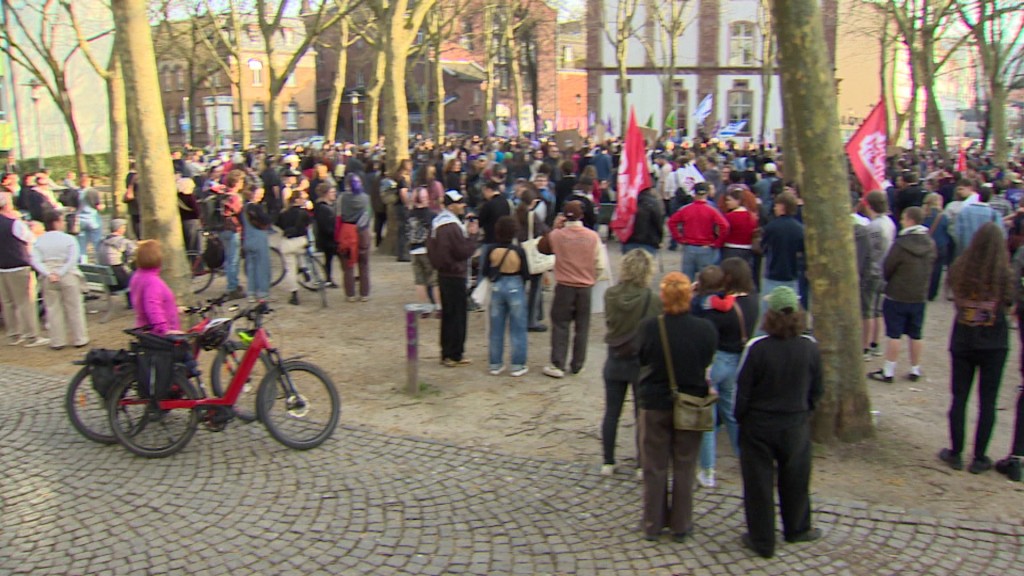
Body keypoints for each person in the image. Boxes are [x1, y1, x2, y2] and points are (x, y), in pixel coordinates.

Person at [735, 286, 823, 559]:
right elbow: (817, 389)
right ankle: (797, 528)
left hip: (759, 425)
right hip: (794, 422)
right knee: (796, 477)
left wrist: (742, 419)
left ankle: (762, 539)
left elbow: (744, 390)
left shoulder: (758, 350)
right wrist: (805, 410)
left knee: (758, 483)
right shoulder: (809, 349)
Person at [635, 272, 717, 542]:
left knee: (654, 465)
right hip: (691, 402)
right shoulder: (705, 329)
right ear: (689, 296)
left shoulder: (649, 328)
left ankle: (652, 523)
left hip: (656, 402)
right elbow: (706, 360)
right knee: (684, 464)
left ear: (663, 297)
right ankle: (681, 525)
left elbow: (642, 357)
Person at [939, 222, 1014, 474]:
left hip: (963, 338)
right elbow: (1010, 303)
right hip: (994, 343)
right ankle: (980, 456)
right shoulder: (1004, 274)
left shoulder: (960, 268)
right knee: (988, 401)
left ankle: (955, 451)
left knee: (959, 397)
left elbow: (955, 300)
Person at [694, 257, 760, 488]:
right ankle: (746, 459)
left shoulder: (720, 307)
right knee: (730, 413)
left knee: (708, 419)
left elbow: (703, 325)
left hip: (717, 359)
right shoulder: (752, 301)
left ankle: (708, 469)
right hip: (737, 361)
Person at [601, 249, 662, 476]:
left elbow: (609, 321)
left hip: (615, 357)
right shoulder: (653, 300)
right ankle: (640, 463)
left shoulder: (610, 295)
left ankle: (608, 460)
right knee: (641, 415)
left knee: (611, 412)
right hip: (641, 362)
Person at [867, 207, 936, 384]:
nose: (902, 221)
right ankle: (915, 368)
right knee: (916, 333)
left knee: (894, 334)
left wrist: (889, 280)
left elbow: (888, 266)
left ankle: (889, 370)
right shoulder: (930, 244)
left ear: (910, 220)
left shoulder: (901, 244)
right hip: (918, 294)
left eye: (904, 219)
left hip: (897, 293)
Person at [538, 200, 604, 378]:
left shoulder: (557, 235)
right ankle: (577, 363)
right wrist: (592, 278)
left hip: (564, 285)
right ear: (581, 215)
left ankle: (558, 363)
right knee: (582, 327)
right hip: (585, 286)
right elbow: (600, 264)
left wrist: (554, 227)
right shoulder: (592, 236)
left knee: (560, 325)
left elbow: (541, 248)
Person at [426, 190, 480, 367]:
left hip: (445, 273)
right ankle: (453, 353)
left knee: (450, 314)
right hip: (455, 274)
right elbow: (463, 251)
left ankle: (450, 353)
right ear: (451, 206)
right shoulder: (451, 227)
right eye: (460, 203)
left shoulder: (438, 223)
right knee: (456, 316)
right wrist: (472, 235)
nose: (463, 205)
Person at [31, 211, 89, 350]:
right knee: (74, 307)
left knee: (53, 309)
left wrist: (48, 273)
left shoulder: (39, 241)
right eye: (62, 220)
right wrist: (61, 272)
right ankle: (79, 338)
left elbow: (35, 260)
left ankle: (57, 341)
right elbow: (73, 258)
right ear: (56, 222)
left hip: (48, 275)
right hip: (67, 274)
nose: (64, 223)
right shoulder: (68, 239)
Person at [482, 216, 530, 377]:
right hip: (515, 284)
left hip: (497, 285)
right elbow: (526, 273)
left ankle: (495, 363)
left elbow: (484, 271)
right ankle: (517, 364)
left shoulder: (490, 250)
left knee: (496, 327)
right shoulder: (518, 251)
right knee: (518, 327)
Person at [0, 192, 48, 347]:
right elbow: (31, 239)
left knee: (8, 302)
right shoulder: (14, 223)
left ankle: (14, 334)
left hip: (2, 267)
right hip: (18, 265)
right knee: (25, 302)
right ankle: (31, 336)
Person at [667, 182, 730, 281]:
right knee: (707, 281)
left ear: (694, 193)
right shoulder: (712, 210)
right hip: (706, 247)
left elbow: (671, 222)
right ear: (707, 193)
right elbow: (725, 226)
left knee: (687, 280)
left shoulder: (686, 209)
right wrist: (717, 243)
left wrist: (679, 238)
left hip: (689, 246)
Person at [514, 186, 550, 332]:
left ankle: (518, 317)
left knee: (520, 288)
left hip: (518, 253)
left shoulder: (515, 214)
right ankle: (531, 320)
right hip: (532, 254)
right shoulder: (532, 216)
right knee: (535, 289)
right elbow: (543, 231)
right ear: (533, 202)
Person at [129, 240, 183, 335]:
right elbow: (153, 308)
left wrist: (174, 308)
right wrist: (165, 330)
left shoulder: (138, 276)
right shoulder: (152, 282)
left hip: (145, 331)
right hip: (160, 337)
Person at [339, 175, 372, 302]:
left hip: (347, 230)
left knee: (348, 265)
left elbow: (339, 214)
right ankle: (364, 293)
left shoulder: (342, 198)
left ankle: (350, 294)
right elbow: (368, 215)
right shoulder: (366, 198)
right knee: (363, 264)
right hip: (362, 231)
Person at [278, 190, 312, 305]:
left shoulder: (284, 212)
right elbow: (308, 226)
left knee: (290, 269)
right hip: (300, 241)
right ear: (297, 200)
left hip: (287, 242)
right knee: (301, 251)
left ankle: (294, 294)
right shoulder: (304, 213)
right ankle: (303, 267)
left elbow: (278, 224)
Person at [408, 185, 439, 312]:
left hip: (414, 250)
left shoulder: (410, 215)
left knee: (419, 280)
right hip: (427, 250)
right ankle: (438, 306)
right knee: (434, 280)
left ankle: (425, 307)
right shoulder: (431, 215)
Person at [241, 185, 274, 302]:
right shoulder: (255, 208)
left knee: (251, 267)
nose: (261, 196)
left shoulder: (244, 208)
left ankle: (251, 292)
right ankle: (262, 293)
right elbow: (265, 219)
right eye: (259, 193)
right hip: (259, 239)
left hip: (248, 239)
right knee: (262, 266)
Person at [98, 218, 137, 303]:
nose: (124, 229)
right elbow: (134, 252)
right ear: (119, 228)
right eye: (124, 227)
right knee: (136, 274)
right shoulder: (122, 241)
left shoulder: (102, 241)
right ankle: (132, 302)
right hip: (119, 280)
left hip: (108, 281)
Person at [922, 193, 952, 302]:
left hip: (925, 245)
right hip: (940, 245)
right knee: (937, 270)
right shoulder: (943, 217)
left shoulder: (923, 215)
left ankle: (922, 289)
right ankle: (932, 293)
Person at [621, 187, 664, 256]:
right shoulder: (654, 203)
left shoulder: (627, 200)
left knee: (629, 265)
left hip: (630, 240)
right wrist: (659, 239)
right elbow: (658, 222)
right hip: (649, 241)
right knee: (647, 265)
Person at [312, 184, 338, 287]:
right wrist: (334, 234)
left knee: (329, 259)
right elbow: (325, 225)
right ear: (326, 194)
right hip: (327, 238)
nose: (334, 194)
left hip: (327, 237)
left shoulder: (326, 206)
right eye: (332, 192)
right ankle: (328, 278)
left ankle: (328, 278)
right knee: (329, 258)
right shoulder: (323, 208)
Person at [75, 173, 104, 262]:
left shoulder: (76, 192)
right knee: (97, 242)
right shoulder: (93, 191)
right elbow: (98, 206)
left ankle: (83, 264)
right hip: (92, 220)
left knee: (81, 244)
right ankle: (99, 263)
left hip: (80, 220)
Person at [177, 176, 202, 254]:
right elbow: (197, 211)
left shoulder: (177, 197)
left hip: (182, 222)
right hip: (192, 222)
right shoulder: (190, 197)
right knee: (193, 245)